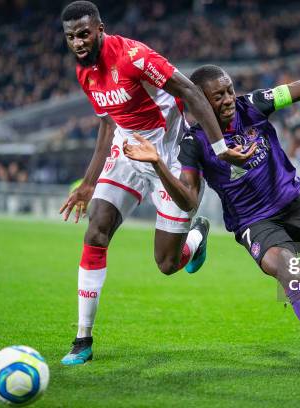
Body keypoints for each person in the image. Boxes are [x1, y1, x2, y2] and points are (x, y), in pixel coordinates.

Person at [124, 45, 300, 376]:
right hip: (253, 223)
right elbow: (187, 199)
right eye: (218, 96)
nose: (228, 99)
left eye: (229, 90)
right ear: (198, 102)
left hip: (294, 205)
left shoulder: (252, 106)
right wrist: (158, 164)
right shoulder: (193, 143)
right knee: (289, 273)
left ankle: (295, 282)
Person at [58, 1, 256, 366]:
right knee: (96, 230)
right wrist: (88, 183)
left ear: (100, 28)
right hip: (128, 149)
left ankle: (195, 238)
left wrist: (219, 147)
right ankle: (82, 338)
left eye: (84, 33)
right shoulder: (84, 73)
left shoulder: (134, 56)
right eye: (71, 37)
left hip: (168, 154)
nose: (78, 42)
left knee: (167, 264)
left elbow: (192, 92)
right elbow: (107, 122)